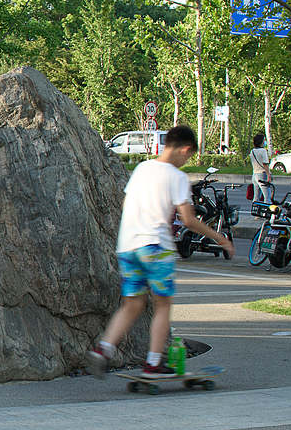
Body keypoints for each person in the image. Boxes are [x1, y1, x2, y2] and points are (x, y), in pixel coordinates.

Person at [86, 125, 234, 379]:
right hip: (155, 247)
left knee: (132, 304)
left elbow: (126, 203)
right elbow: (188, 220)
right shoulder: (176, 177)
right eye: (188, 156)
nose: (186, 161)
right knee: (162, 305)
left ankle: (104, 348)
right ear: (185, 149)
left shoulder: (143, 169)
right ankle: (153, 363)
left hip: (128, 246)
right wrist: (220, 238)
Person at [250, 133, 272, 203]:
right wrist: (269, 175)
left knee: (256, 197)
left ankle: (255, 210)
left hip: (255, 175)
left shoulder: (252, 151)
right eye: (264, 140)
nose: (265, 142)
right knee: (267, 197)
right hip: (262, 174)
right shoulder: (263, 151)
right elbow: (265, 164)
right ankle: (267, 212)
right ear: (261, 141)